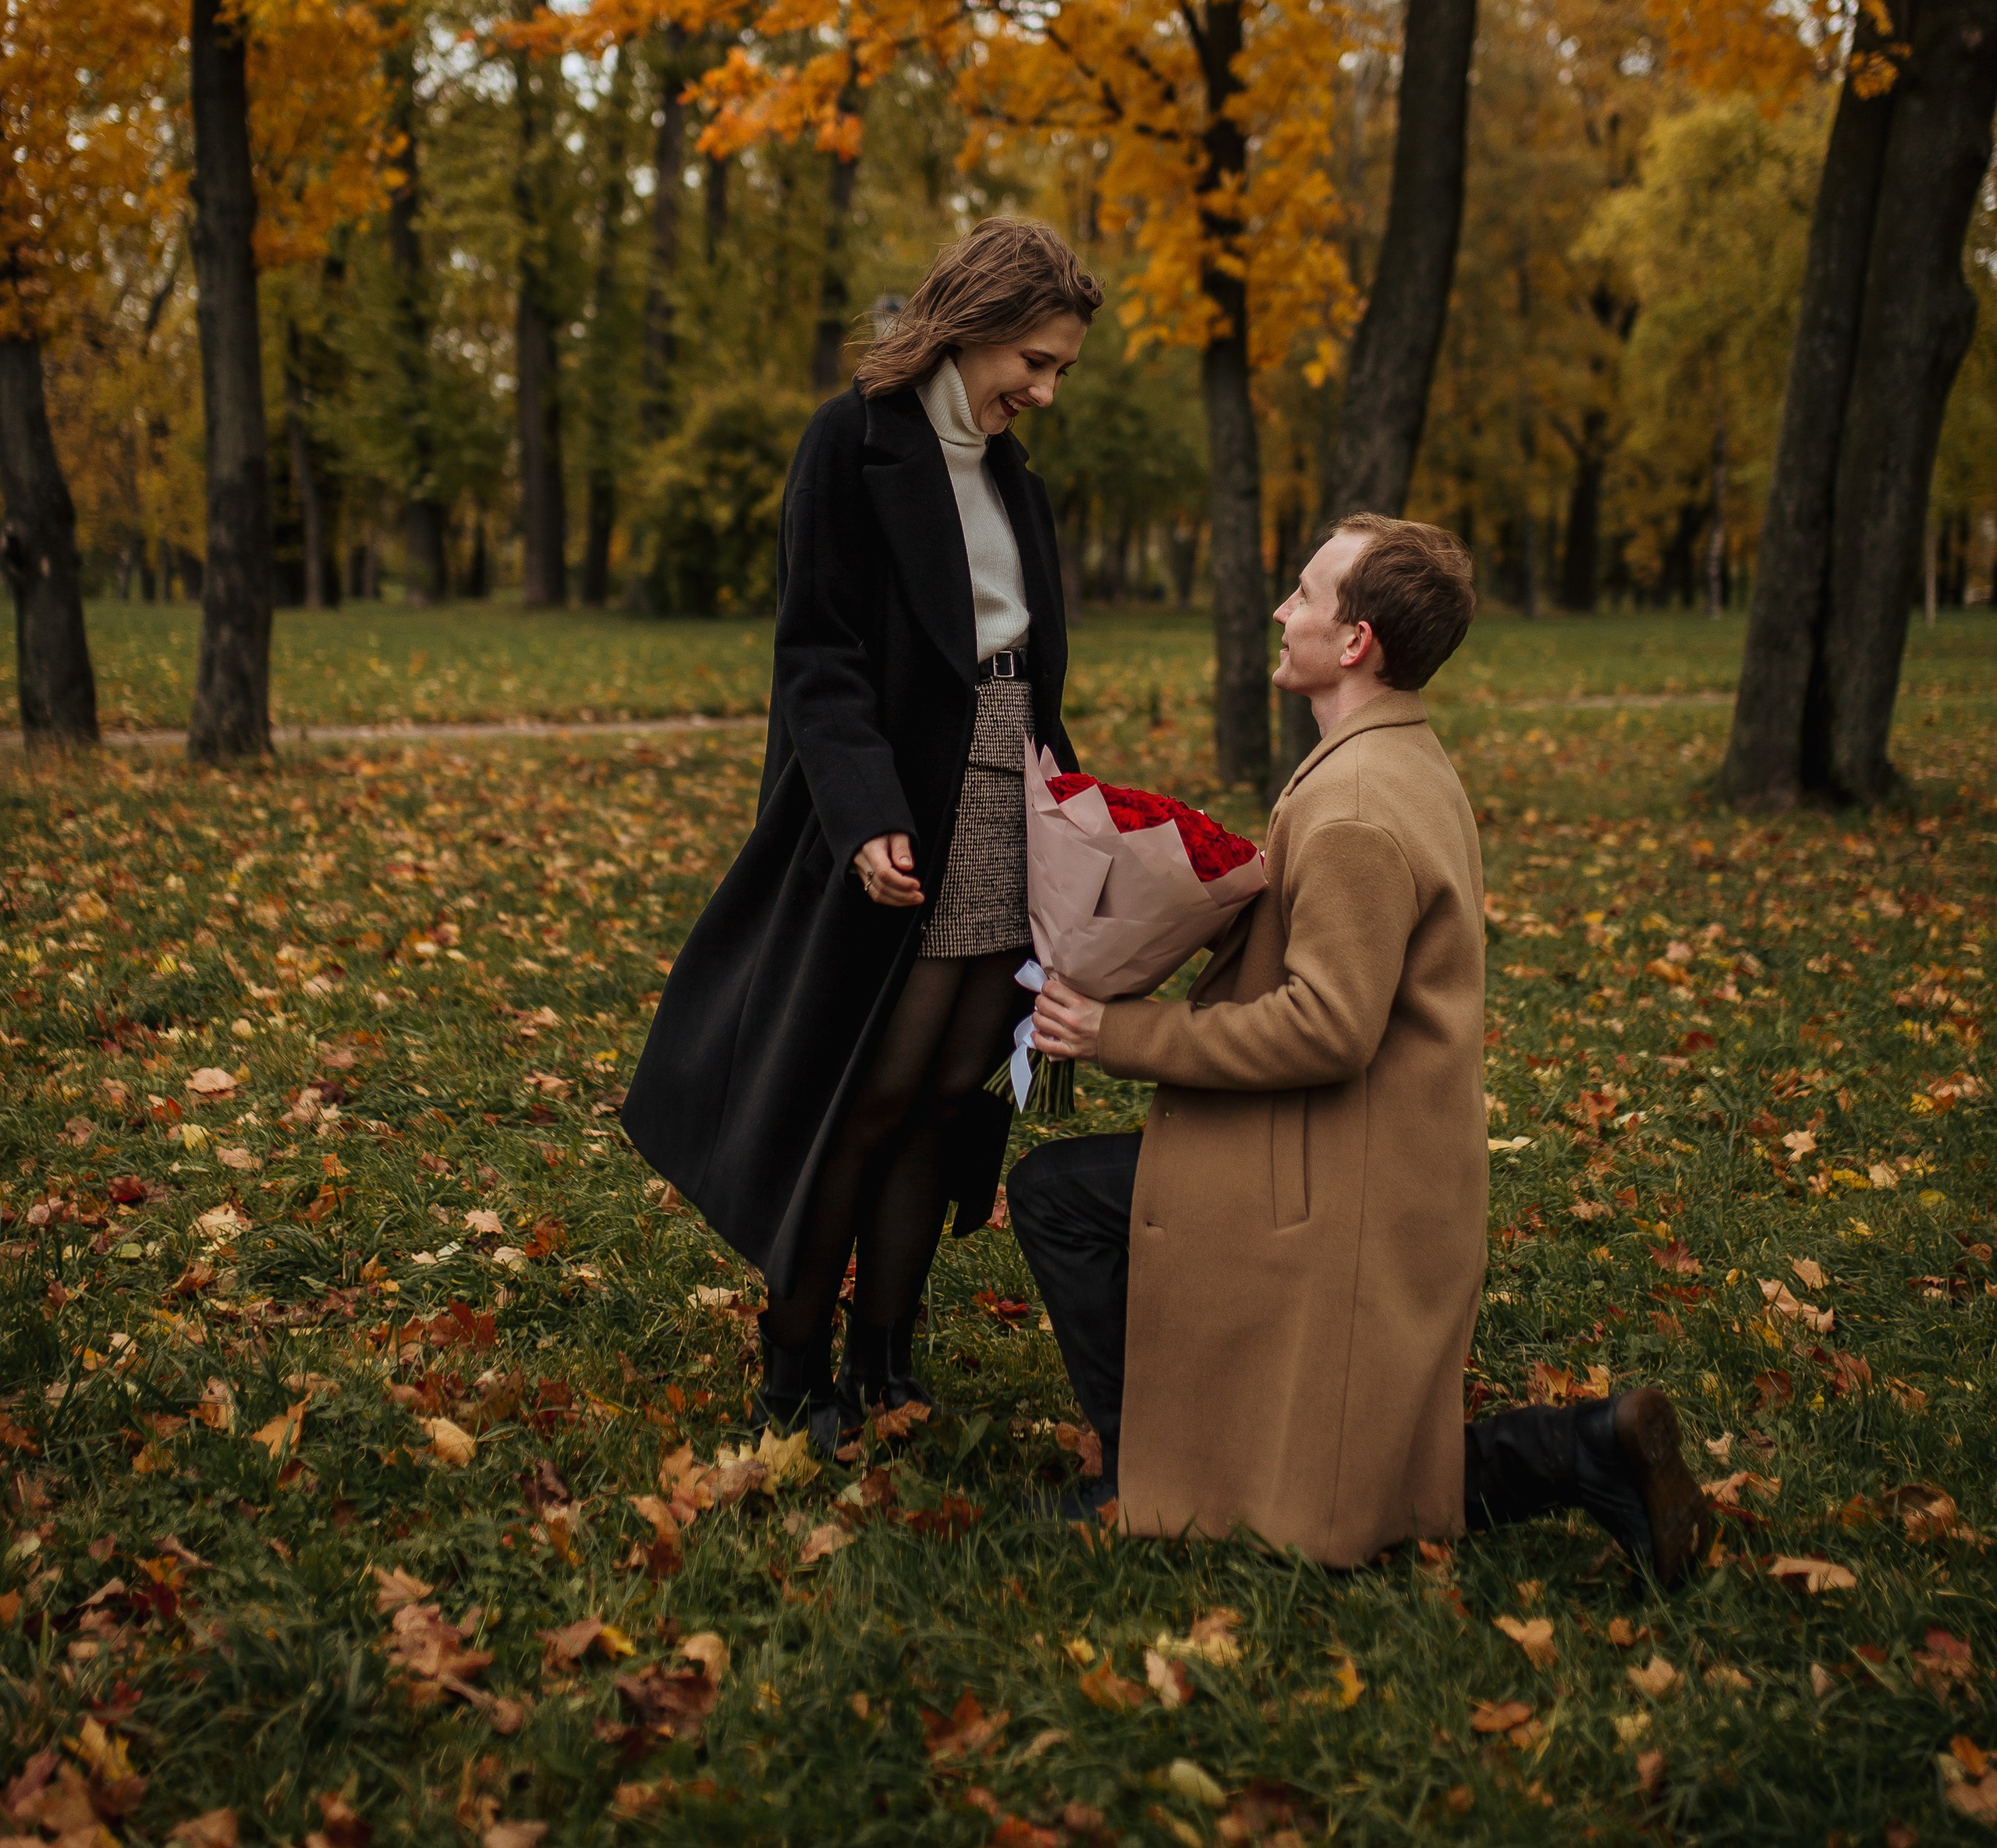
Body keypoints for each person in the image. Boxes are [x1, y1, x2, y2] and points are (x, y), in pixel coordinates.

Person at [1012, 514, 1713, 1583]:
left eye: (1305, 594)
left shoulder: (1351, 806)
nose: (1283, 610)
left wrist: (1119, 1032)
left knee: (1059, 1193)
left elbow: (1328, 1026)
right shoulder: (1399, 759)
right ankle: (1585, 1449)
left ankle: (1139, 1474)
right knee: (1343, 1463)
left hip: (1346, 1176)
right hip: (1388, 1157)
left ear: (1356, 643)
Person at [621, 218, 1101, 1452]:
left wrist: (1074, 814)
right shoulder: (853, 442)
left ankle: (887, 1350)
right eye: (1033, 362)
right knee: (870, 1088)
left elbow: (1026, 673)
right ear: (978, 320)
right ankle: (796, 1359)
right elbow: (817, 652)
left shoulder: (1012, 475)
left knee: (950, 1089)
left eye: (1058, 371)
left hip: (1008, 788)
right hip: (901, 801)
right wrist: (868, 811)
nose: (1041, 391)